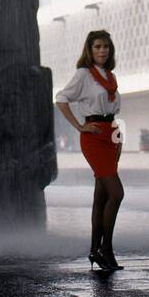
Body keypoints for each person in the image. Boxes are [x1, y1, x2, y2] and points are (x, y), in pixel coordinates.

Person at [54, 28, 124, 271]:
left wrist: (118, 136)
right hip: (93, 137)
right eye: (97, 47)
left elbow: (113, 111)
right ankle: (107, 249)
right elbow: (61, 99)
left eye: (105, 47)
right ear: (89, 50)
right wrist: (79, 126)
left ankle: (95, 250)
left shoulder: (110, 75)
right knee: (117, 194)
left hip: (111, 135)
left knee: (101, 197)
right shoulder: (84, 74)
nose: (102, 51)